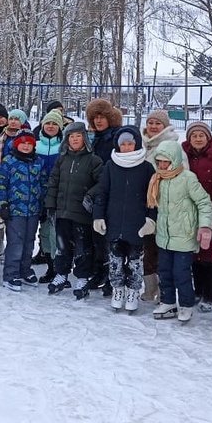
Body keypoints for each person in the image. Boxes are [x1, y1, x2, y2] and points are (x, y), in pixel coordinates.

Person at [148, 140, 212, 323]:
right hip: (164, 236)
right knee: (165, 271)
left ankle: (186, 304)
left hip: (184, 236)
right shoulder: (157, 179)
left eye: (166, 161)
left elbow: (204, 202)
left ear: (175, 160)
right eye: (159, 161)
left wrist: (205, 226)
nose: (162, 165)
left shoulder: (187, 178)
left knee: (181, 273)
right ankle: (168, 301)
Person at [92, 126, 156, 311]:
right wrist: (98, 216)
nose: (127, 147)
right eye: (123, 144)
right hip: (114, 223)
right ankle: (118, 289)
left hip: (136, 225)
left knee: (135, 262)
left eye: (130, 144)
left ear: (136, 144)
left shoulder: (146, 167)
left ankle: (133, 291)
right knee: (115, 261)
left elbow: (153, 198)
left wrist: (151, 220)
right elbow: (102, 193)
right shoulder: (111, 166)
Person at [44, 122, 103, 299]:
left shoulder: (94, 160)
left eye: (78, 136)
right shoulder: (62, 159)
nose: (75, 139)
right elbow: (53, 182)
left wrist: (90, 196)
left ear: (84, 138)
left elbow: (102, 184)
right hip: (62, 211)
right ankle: (61, 274)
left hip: (82, 213)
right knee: (62, 246)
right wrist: (50, 205)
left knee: (82, 247)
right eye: (71, 136)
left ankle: (82, 277)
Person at [141, 109, 186, 304]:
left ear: (165, 126)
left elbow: (181, 176)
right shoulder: (141, 145)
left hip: (165, 207)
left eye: (157, 123)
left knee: (162, 251)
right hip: (143, 205)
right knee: (147, 248)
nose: (153, 126)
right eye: (150, 122)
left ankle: (164, 290)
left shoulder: (173, 147)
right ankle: (150, 288)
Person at [182, 121, 212, 312]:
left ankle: (209, 295)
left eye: (201, 135)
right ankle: (197, 291)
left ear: (208, 138)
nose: (198, 139)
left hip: (211, 211)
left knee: (209, 256)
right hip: (189, 212)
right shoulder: (183, 157)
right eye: (194, 136)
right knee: (194, 254)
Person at [0, 130, 47, 291]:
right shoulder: (9, 161)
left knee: (29, 242)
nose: (26, 146)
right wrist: (3, 204)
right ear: (17, 144)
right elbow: (0, 184)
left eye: (29, 143)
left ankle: (25, 270)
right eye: (23, 143)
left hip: (32, 209)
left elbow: (43, 184)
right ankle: (11, 274)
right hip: (15, 210)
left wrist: (43, 204)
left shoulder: (38, 162)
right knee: (16, 242)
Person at [85, 99, 124, 296]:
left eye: (102, 117)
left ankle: (113, 275)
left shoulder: (116, 137)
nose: (98, 121)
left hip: (113, 191)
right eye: (95, 118)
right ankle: (100, 270)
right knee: (97, 235)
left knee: (111, 237)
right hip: (96, 191)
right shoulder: (95, 137)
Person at [0, 108, 28, 262]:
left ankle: (13, 248)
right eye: (11, 118)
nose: (13, 122)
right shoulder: (1, 136)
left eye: (17, 119)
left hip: (19, 181)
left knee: (14, 218)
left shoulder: (26, 137)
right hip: (2, 178)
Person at [32, 108, 64, 281]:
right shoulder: (35, 146)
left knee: (55, 232)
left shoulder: (64, 147)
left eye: (54, 124)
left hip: (58, 195)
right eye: (48, 123)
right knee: (44, 231)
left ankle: (58, 267)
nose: (51, 126)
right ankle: (49, 265)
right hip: (39, 194)